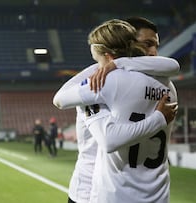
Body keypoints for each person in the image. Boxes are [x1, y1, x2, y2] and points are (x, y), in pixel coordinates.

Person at [54, 19, 178, 203]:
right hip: (156, 193)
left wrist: (106, 65)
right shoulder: (169, 87)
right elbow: (173, 65)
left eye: (155, 45)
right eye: (147, 44)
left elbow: (59, 99)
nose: (153, 52)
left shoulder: (101, 85)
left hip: (106, 191)